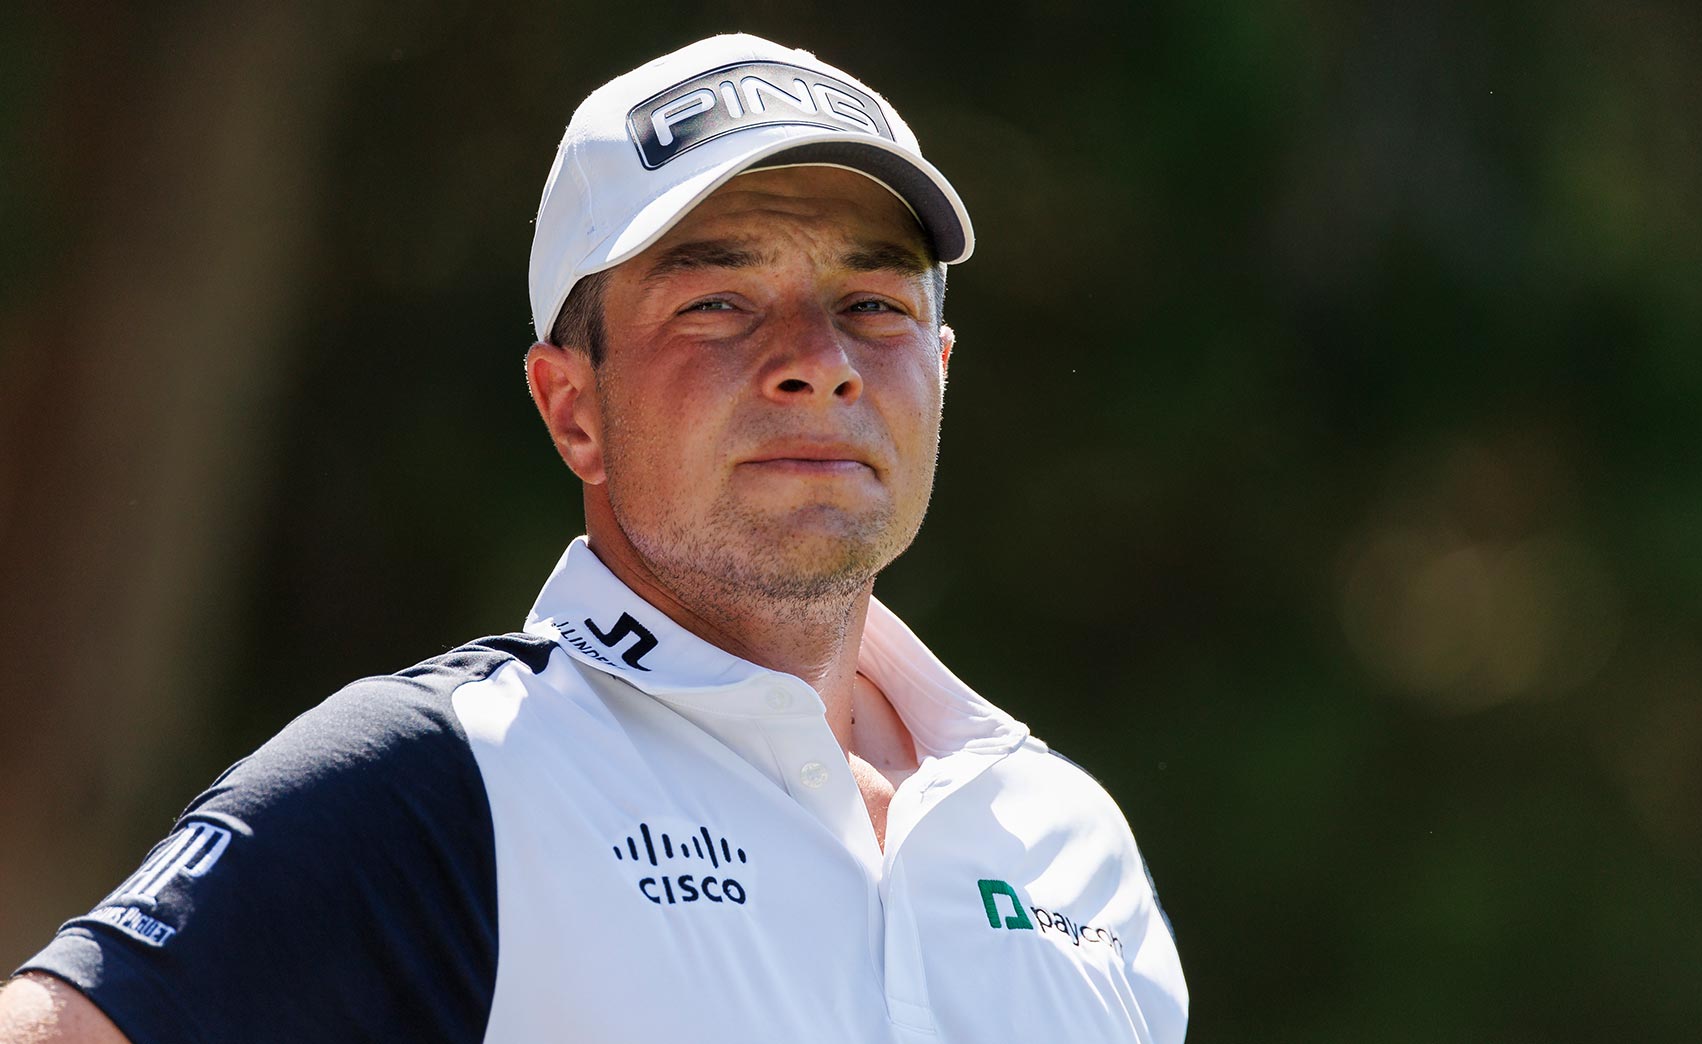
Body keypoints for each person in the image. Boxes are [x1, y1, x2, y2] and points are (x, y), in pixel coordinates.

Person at [0, 33, 1188, 1043]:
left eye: (872, 305)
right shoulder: (438, 777)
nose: (818, 366)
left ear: (935, 374)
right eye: (717, 303)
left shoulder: (1064, 836)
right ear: (573, 409)